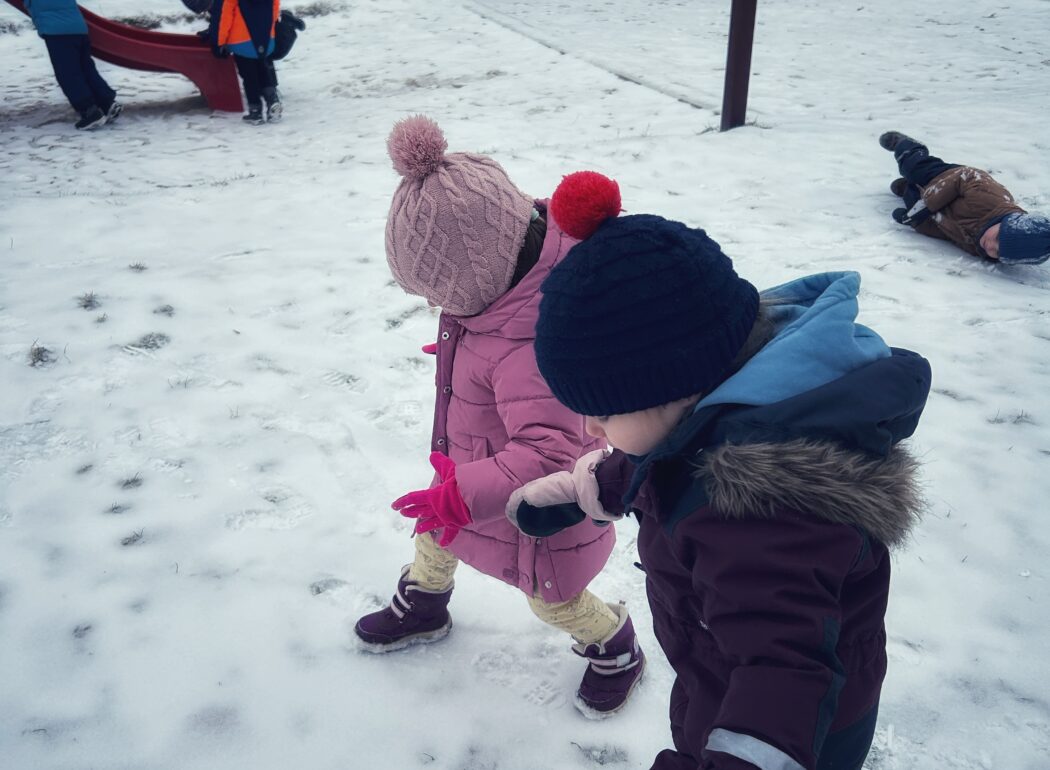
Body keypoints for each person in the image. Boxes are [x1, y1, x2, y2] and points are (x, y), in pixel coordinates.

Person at [506, 171, 932, 768]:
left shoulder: (763, 516)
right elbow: (665, 461)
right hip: (718, 677)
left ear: (678, 387)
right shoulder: (723, 414)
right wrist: (586, 491)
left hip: (795, 734)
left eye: (602, 412)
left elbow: (782, 673)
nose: (591, 431)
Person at [354, 116, 645, 718]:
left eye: (441, 294)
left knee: (553, 599)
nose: (437, 306)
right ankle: (424, 603)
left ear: (481, 275)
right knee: (435, 534)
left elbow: (548, 453)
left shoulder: (529, 344)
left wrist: (461, 494)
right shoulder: (503, 288)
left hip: (539, 506)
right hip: (474, 470)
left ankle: (615, 646)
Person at [880, 131, 1050, 265]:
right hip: (945, 178)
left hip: (934, 207)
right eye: (998, 238)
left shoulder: (978, 246)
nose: (991, 246)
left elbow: (945, 232)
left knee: (912, 199)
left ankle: (908, 187)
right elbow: (966, 176)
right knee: (914, 169)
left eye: (999, 253)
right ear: (1006, 222)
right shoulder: (990, 200)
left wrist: (917, 223)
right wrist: (925, 207)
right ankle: (906, 146)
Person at [24, 0, 122, 130]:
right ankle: (107, 103)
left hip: (57, 32)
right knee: (86, 69)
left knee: (68, 74)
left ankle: (89, 110)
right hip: (79, 29)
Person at [208, 0, 281, 124]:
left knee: (249, 76)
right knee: (263, 68)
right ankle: (272, 100)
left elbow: (226, 15)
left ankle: (255, 111)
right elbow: (275, 7)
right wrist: (269, 29)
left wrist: (221, 41)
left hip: (241, 40)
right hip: (264, 36)